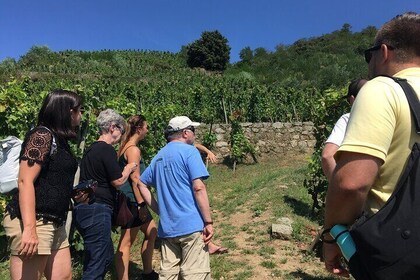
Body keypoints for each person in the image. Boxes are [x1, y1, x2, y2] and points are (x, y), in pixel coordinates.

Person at [323, 12, 420, 277]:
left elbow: (351, 183)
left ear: (384, 52)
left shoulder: (383, 89)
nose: (369, 64)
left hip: (398, 257)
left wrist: (331, 237)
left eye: (369, 55)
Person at [3, 90, 83, 280]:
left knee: (63, 277)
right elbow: (25, 180)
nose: (81, 115)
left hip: (55, 221)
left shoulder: (60, 140)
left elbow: (50, 181)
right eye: (79, 110)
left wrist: (73, 194)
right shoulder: (42, 136)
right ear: (67, 111)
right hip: (35, 220)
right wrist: (30, 229)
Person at [139, 116, 214, 280]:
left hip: (168, 228)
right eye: (193, 131)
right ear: (186, 133)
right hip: (191, 226)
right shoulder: (190, 152)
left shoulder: (159, 157)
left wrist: (160, 210)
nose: (194, 135)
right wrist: (208, 222)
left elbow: (141, 184)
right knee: (195, 274)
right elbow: (198, 187)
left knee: (169, 275)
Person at [73, 109, 137, 280]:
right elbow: (117, 181)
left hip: (86, 210)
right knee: (97, 263)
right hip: (98, 210)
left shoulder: (91, 149)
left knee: (104, 255)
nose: (121, 136)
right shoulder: (106, 149)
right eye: (121, 131)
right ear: (112, 127)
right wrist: (129, 167)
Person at [115, 115, 159, 280]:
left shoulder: (125, 146)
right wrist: (141, 204)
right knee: (126, 243)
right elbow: (135, 179)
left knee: (152, 231)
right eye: (146, 127)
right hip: (132, 201)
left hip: (133, 199)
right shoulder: (133, 149)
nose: (147, 130)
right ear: (139, 129)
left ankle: (148, 272)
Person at [321, 78, 367, 181]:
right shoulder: (389, 117)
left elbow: (327, 156)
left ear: (352, 99)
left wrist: (338, 186)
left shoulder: (348, 119)